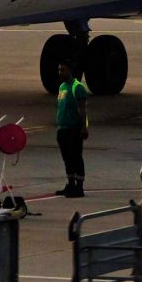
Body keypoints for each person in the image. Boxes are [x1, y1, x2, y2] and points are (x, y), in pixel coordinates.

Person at [54, 60, 89, 198]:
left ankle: (79, 187)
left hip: (73, 129)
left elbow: (83, 110)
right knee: (67, 158)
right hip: (63, 129)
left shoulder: (77, 87)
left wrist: (84, 127)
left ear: (70, 70)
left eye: (63, 70)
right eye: (59, 70)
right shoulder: (62, 87)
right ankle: (71, 184)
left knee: (76, 157)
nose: (60, 72)